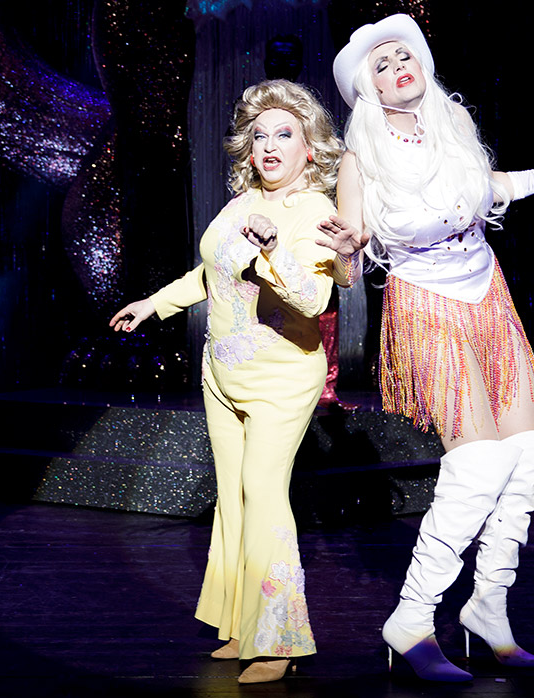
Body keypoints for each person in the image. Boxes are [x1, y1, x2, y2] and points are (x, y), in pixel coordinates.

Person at [318, 15, 534, 681]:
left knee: (523, 458)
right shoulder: (360, 159)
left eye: (403, 54)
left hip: (489, 293)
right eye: (381, 63)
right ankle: (412, 619)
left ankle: (488, 608)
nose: (398, 65)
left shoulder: (451, 126)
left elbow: (498, 186)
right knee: (479, 464)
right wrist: (345, 251)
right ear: (368, 88)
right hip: (427, 305)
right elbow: (348, 263)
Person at [109, 79, 351, 684]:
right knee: (234, 496)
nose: (269, 146)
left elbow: (314, 298)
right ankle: (243, 623)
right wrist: (154, 304)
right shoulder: (241, 203)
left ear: (309, 147)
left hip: (281, 374)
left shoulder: (315, 212)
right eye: (260, 135)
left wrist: (271, 251)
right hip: (220, 372)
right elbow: (211, 271)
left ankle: (279, 639)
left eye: (284, 134)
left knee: (263, 494)